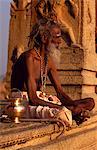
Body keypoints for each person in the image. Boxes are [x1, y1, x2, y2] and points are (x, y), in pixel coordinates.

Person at [11, 23, 95, 123]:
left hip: (41, 100)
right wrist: (63, 108)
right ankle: (73, 113)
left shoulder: (48, 60)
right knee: (63, 112)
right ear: (44, 38)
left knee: (90, 102)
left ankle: (73, 112)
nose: (60, 42)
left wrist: (73, 105)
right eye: (57, 37)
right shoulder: (30, 58)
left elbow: (60, 93)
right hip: (22, 103)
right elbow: (33, 98)